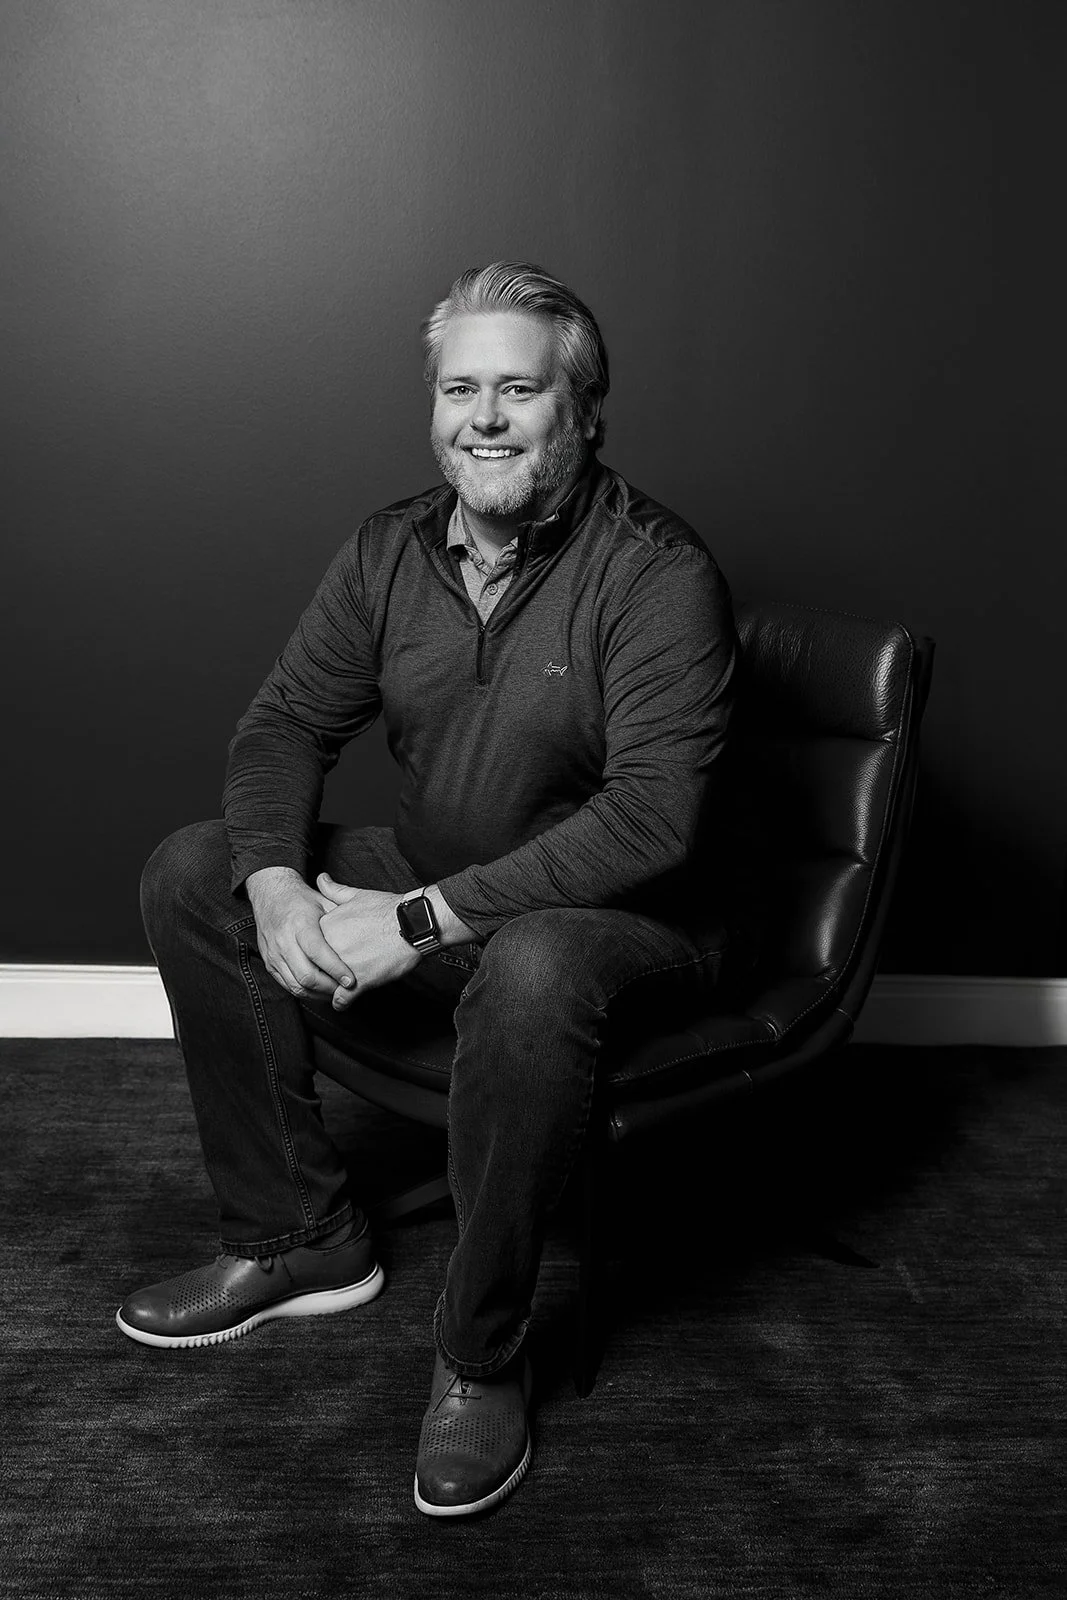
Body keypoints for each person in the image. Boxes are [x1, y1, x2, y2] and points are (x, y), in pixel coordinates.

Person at [117, 262, 737, 1517]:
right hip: (447, 881)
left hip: (631, 922)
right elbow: (285, 724)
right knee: (195, 868)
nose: (484, 419)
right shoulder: (389, 549)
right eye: (460, 390)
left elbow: (651, 820)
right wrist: (279, 887)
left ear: (582, 411)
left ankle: (480, 1350)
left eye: (519, 389)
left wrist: (414, 921)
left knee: (535, 961)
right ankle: (299, 1238)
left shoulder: (656, 574)